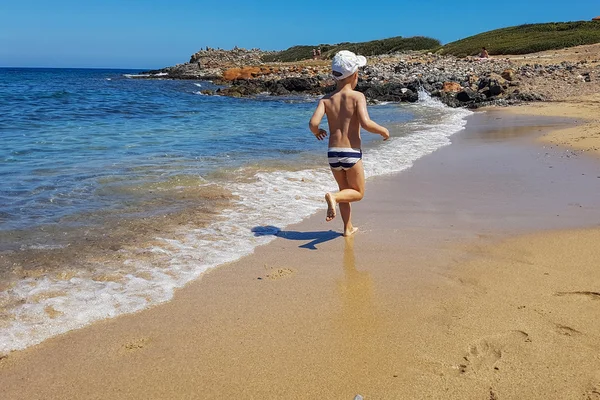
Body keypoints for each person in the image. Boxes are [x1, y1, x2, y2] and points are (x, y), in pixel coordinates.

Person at [308, 50, 390, 237]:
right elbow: (366, 123)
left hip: (332, 153)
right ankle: (333, 197)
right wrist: (383, 131)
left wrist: (317, 132)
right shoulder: (357, 96)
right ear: (355, 75)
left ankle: (348, 227)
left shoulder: (326, 100)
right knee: (358, 192)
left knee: (346, 190)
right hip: (350, 152)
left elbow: (313, 123)